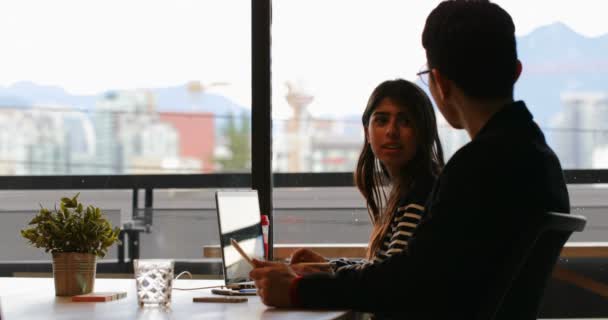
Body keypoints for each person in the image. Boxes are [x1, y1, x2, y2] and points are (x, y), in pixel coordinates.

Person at [250, 1, 570, 318]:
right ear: (516, 72)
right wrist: (327, 273)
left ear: (440, 84)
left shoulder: (479, 168)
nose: (392, 132)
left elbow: (407, 282)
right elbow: (417, 272)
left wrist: (298, 290)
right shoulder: (539, 159)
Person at [290, 79, 444, 276]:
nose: (391, 131)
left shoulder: (421, 194)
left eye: (405, 121)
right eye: (381, 120)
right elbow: (385, 268)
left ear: (423, 132)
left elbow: (389, 279)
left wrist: (304, 286)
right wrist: (329, 267)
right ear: (367, 132)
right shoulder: (410, 188)